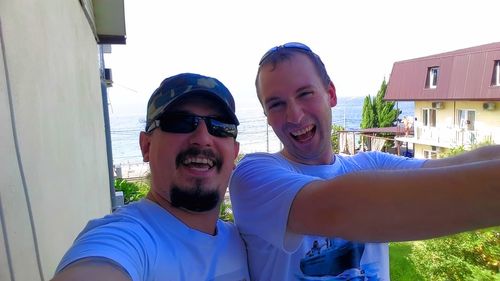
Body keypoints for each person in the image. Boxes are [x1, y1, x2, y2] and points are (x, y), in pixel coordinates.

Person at [229, 42, 500, 280]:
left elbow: (448, 168)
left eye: (305, 94)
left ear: (331, 95)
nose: (295, 116)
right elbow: (339, 208)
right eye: (276, 104)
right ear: (266, 115)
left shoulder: (370, 164)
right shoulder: (253, 175)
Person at [53, 73, 250, 281]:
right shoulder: (126, 240)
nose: (203, 139)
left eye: (220, 126)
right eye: (179, 122)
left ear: (234, 153)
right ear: (146, 146)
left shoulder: (241, 242)